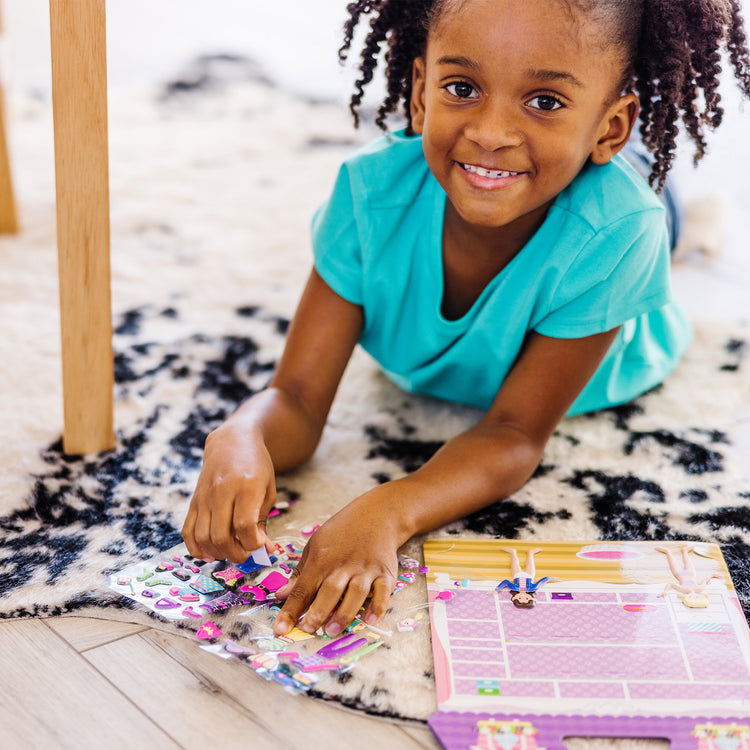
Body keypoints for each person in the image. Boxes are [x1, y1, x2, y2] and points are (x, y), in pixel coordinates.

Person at [182, 0, 750, 638]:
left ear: (609, 126)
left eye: (544, 101)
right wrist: (240, 434)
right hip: (548, 172)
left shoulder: (618, 230)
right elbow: (296, 396)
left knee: (655, 208)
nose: (490, 131)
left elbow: (513, 434)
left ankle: (665, 187)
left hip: (612, 207)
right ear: (420, 93)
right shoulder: (368, 195)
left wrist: (387, 512)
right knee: (544, 164)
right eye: (462, 88)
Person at [655, 545, 721, 608]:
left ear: (685, 596)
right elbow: (705, 581)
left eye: (690, 597)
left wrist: (665, 591)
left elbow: (670, 584)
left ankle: (668, 552)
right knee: (688, 562)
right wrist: (712, 575)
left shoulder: (683, 589)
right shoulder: (699, 588)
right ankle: (684, 551)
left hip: (680, 574)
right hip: (691, 574)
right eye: (697, 597)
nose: (694, 596)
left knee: (673, 562)